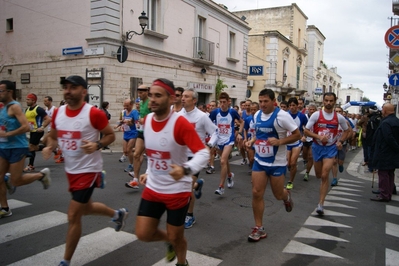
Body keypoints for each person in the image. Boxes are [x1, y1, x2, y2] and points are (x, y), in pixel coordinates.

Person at [41, 75, 127, 266]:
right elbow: (53, 136)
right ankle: (117, 214)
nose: (67, 91)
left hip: (89, 169)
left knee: (73, 215)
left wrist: (97, 145)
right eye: (65, 87)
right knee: (86, 207)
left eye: (72, 87)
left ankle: (65, 261)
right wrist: (49, 146)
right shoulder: (59, 113)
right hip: (71, 170)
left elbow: (110, 135)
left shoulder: (93, 114)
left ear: (83, 91)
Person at [135, 78, 209, 266]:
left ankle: (182, 262)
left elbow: (203, 153)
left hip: (177, 190)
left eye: (158, 96)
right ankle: (167, 240)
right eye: (150, 95)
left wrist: (186, 170)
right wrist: (149, 171)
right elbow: (154, 153)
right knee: (143, 233)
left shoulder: (180, 123)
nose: (152, 99)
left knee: (177, 236)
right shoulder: (148, 120)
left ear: (171, 99)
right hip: (153, 187)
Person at [245, 89, 299, 242]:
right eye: (260, 101)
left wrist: (280, 141)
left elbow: (297, 135)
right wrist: (252, 141)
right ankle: (259, 228)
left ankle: (286, 196)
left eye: (265, 101)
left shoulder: (282, 116)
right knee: (256, 192)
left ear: (273, 101)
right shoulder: (257, 115)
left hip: (277, 163)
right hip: (260, 161)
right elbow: (259, 134)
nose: (262, 104)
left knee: (277, 195)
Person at [0, 80, 51, 218]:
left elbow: (26, 127)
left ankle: (41, 175)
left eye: (1, 91)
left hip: (17, 146)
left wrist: (8, 134)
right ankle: (5, 208)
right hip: (3, 147)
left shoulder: (15, 107)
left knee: (16, 180)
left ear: (9, 92)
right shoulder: (3, 107)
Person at [304, 92, 350, 215]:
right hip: (317, 147)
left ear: (335, 102)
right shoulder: (316, 115)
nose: (328, 103)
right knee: (319, 175)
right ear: (323, 101)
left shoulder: (339, 117)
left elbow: (347, 131)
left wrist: (340, 141)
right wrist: (318, 136)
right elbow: (306, 131)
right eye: (326, 101)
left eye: (331, 101)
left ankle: (321, 204)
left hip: (330, 148)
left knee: (325, 175)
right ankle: (321, 198)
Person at [181, 88, 217, 229]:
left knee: (187, 188)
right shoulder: (178, 116)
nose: (183, 98)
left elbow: (215, 132)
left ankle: (189, 215)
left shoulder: (202, 116)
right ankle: (197, 185)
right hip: (180, 156)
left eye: (186, 96)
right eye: (182, 96)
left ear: (194, 100)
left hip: (195, 156)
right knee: (180, 186)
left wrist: (209, 145)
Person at [209, 92, 243, 195]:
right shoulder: (215, 112)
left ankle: (221, 187)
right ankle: (229, 175)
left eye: (224, 102)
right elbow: (208, 123)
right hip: (219, 139)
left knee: (223, 161)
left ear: (228, 102)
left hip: (229, 139)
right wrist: (212, 134)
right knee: (224, 161)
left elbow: (242, 122)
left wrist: (239, 133)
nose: (222, 104)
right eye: (221, 102)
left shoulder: (232, 112)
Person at [370, 103, 399, 202]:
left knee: (383, 174)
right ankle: (388, 192)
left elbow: (388, 138)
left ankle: (384, 194)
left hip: (385, 152)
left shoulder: (386, 122)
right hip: (391, 153)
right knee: (390, 173)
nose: (382, 111)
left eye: (382, 110)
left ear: (385, 110)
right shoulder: (396, 121)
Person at [126, 84, 151, 189]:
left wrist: (144, 120)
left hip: (151, 132)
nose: (139, 94)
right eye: (138, 91)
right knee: (136, 154)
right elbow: (140, 116)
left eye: (142, 91)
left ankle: (150, 176)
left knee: (152, 156)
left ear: (147, 92)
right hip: (141, 131)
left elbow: (156, 117)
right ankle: (135, 180)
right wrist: (132, 122)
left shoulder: (150, 102)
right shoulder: (140, 102)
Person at [24, 93, 51, 172]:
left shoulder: (38, 109)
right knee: (34, 147)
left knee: (31, 147)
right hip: (32, 131)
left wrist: (42, 127)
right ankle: (47, 148)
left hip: (38, 131)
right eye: (26, 99)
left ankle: (30, 165)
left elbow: (48, 119)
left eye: (28, 99)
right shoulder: (27, 109)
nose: (27, 101)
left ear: (33, 100)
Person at [285, 97, 308, 190]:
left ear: (297, 106)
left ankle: (290, 181)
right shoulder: (285, 115)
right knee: (288, 164)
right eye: (290, 105)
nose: (291, 107)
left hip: (297, 142)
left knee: (293, 162)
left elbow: (307, 128)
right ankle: (292, 168)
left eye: (293, 105)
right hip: (287, 142)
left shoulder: (302, 116)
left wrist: (304, 136)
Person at [331, 107, 353, 186]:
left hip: (342, 144)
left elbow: (350, 132)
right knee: (334, 162)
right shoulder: (331, 120)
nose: (338, 113)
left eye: (340, 111)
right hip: (333, 144)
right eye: (336, 111)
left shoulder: (345, 121)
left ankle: (341, 165)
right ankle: (334, 178)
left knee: (340, 161)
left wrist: (344, 140)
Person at [118, 99, 139, 175]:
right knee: (125, 151)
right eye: (124, 105)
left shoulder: (134, 112)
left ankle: (131, 165)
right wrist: (119, 125)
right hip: (126, 133)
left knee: (129, 149)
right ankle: (137, 150)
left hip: (133, 133)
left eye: (127, 105)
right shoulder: (124, 112)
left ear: (131, 105)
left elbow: (137, 122)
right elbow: (121, 120)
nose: (125, 107)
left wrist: (131, 123)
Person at [301, 103, 317, 181]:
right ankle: (305, 161)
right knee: (304, 154)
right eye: (310, 109)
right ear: (308, 110)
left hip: (313, 139)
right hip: (305, 138)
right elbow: (301, 126)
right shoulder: (305, 117)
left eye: (313, 110)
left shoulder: (317, 118)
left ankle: (307, 173)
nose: (312, 111)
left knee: (311, 156)